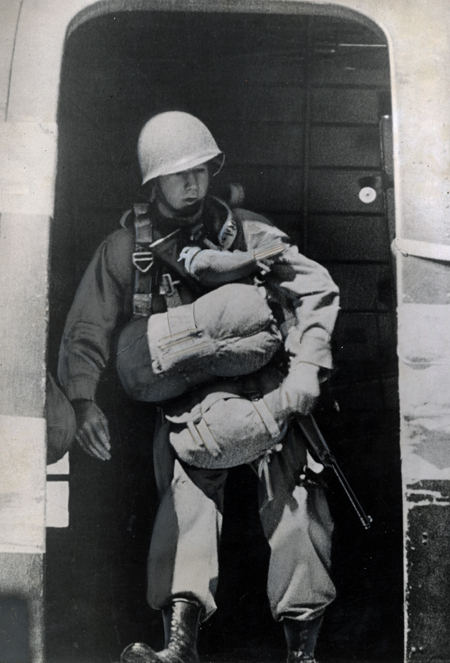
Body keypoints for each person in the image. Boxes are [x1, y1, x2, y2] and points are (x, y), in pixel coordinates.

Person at [58, 111, 340, 663]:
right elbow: (87, 325)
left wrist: (308, 367)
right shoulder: (126, 250)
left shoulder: (247, 231)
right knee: (185, 497)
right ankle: (179, 643)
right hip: (188, 398)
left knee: (298, 496)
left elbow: (314, 288)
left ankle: (302, 650)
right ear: (153, 181)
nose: (191, 184)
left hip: (267, 385)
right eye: (178, 174)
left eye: (201, 171)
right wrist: (82, 397)